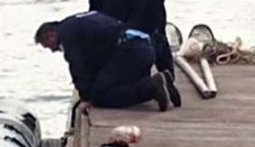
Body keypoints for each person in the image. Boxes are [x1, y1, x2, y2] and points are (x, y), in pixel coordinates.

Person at [35, 11, 176, 111]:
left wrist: (86, 98)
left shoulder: (67, 36)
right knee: (110, 83)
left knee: (102, 97)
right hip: (142, 46)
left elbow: (78, 66)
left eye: (48, 46)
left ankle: (151, 88)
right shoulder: (76, 22)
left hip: (131, 52)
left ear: (51, 35)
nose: (53, 50)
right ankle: (164, 84)